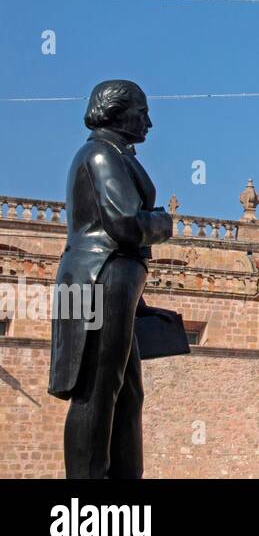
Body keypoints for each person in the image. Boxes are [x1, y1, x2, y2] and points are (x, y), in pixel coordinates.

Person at [49, 80, 172, 478]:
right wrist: (162, 223)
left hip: (106, 280)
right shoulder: (101, 154)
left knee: (126, 393)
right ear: (115, 111)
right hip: (99, 278)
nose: (148, 122)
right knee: (98, 389)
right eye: (141, 111)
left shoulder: (112, 153)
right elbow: (125, 224)